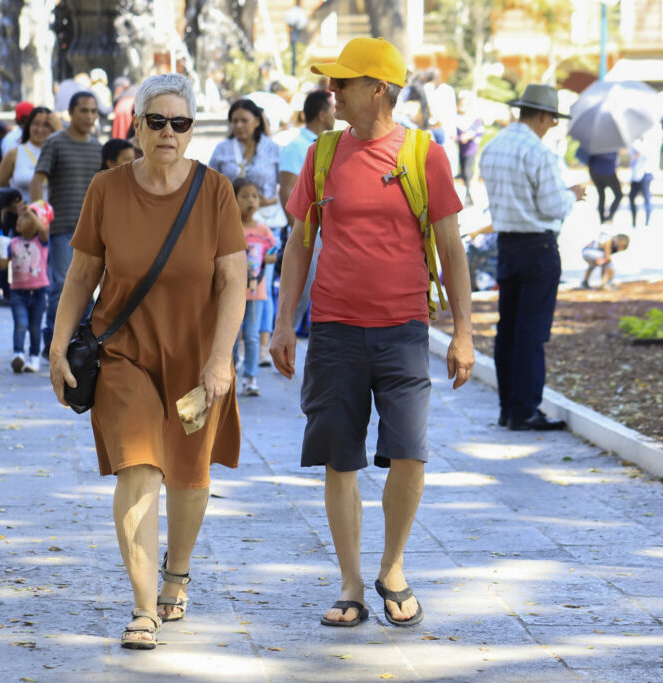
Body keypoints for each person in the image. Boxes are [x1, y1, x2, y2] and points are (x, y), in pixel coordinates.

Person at [271, 37, 474, 629]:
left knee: (409, 451)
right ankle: (351, 584)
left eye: (344, 81)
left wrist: (463, 332)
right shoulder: (323, 154)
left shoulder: (422, 153)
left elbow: (451, 249)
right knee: (340, 457)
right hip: (333, 328)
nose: (331, 90)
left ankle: (393, 567)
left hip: (404, 328)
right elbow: (299, 243)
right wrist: (285, 322)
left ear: (378, 88)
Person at [49, 73, 246, 650]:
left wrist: (220, 360)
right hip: (124, 353)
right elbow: (83, 274)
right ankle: (142, 606)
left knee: (188, 476)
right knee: (139, 467)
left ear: (191, 132)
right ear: (135, 126)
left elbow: (234, 280)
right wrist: (58, 347)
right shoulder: (107, 190)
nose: (167, 133)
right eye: (156, 121)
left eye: (179, 124)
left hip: (196, 356)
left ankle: (176, 574)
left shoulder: (215, 193)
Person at [479, 84, 585, 432]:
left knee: (506, 329)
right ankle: (525, 409)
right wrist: (572, 195)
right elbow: (551, 206)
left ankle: (507, 407)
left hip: (506, 243)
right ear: (543, 116)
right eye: (553, 119)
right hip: (538, 247)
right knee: (531, 332)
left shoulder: (492, 148)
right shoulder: (541, 154)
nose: (553, 125)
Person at [209, 98, 283, 367]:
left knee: (263, 283)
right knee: (231, 280)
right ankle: (236, 341)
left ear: (257, 121)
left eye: (244, 120)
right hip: (231, 225)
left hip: (266, 224)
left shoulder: (273, 149)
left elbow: (282, 187)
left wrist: (268, 200)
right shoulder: (222, 149)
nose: (239, 125)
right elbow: (209, 185)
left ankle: (263, 344)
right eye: (235, 121)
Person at [31, 91, 102, 357]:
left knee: (88, 286)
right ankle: (54, 342)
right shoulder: (56, 142)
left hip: (93, 230)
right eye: (84, 111)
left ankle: (81, 343)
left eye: (94, 111)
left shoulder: (97, 147)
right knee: (62, 285)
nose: (90, 117)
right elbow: (38, 179)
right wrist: (40, 215)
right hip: (61, 226)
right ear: (71, 113)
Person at [0, 106, 60, 307]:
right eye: (36, 124)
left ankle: (51, 328)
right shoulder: (15, 154)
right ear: (28, 126)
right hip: (24, 228)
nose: (41, 129)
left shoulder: (60, 151)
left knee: (56, 280)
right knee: (30, 282)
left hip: (57, 224)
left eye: (47, 125)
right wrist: (14, 208)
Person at [279, 90, 335, 334]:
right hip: (307, 234)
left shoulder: (329, 144)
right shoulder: (297, 147)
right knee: (301, 292)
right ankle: (283, 337)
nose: (335, 114)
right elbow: (287, 191)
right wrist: (302, 235)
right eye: (332, 110)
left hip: (325, 234)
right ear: (322, 114)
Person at [0, 199, 51, 373]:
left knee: (35, 327)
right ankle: (18, 354)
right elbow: (3, 266)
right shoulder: (13, 242)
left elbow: (42, 229)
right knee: (20, 323)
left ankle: (34, 357)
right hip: (18, 293)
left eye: (25, 218)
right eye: (20, 218)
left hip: (39, 292)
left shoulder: (41, 241)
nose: (19, 220)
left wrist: (31, 212)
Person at [232, 177, 276, 396]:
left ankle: (250, 377)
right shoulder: (229, 226)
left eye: (255, 196)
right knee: (230, 335)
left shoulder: (263, 229)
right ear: (233, 198)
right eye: (245, 196)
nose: (251, 200)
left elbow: (274, 254)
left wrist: (261, 258)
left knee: (251, 335)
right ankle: (229, 372)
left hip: (255, 292)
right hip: (230, 292)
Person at [629, 125, 661, 228]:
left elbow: (646, 153)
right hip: (636, 174)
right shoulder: (636, 141)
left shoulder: (651, 140)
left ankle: (647, 222)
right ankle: (634, 221)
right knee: (632, 198)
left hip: (647, 172)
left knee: (646, 197)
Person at [456, 91, 483, 207]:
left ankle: (468, 195)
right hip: (459, 148)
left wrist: (469, 134)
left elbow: (478, 130)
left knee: (467, 172)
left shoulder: (474, 118)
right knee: (461, 172)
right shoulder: (455, 116)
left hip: (469, 149)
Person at [587, 151, 623, 225]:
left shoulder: (595, 144)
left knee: (602, 197)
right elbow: (613, 158)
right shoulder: (611, 146)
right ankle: (609, 217)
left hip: (595, 172)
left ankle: (602, 220)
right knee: (619, 195)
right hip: (608, 172)